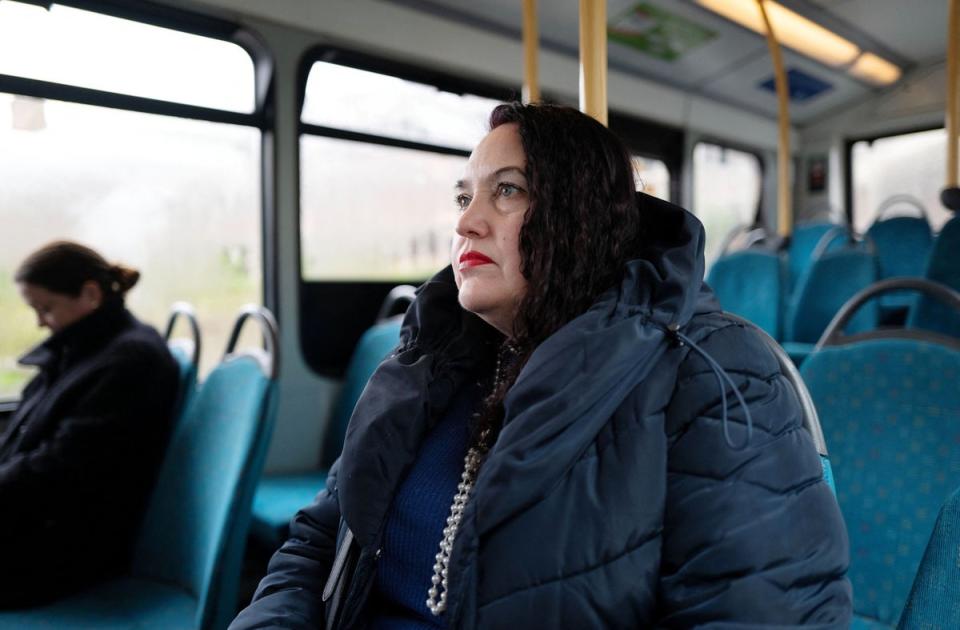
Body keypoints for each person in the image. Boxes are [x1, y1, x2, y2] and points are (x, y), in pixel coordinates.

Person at [232, 103, 851, 629]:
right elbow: (319, 543)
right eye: (464, 195)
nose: (466, 221)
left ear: (580, 214)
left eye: (507, 190)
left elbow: (750, 607)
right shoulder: (429, 364)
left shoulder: (716, 373)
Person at [0, 241, 179, 608]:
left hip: (65, 545)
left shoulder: (131, 361)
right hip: (38, 523)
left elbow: (62, 467)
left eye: (46, 308)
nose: (40, 323)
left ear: (90, 293)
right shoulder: (82, 349)